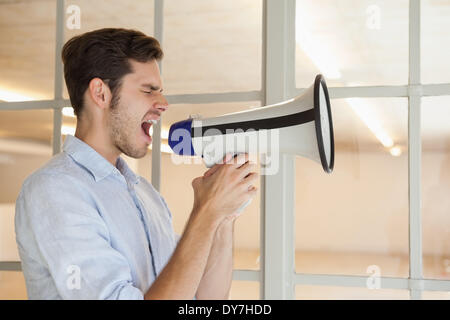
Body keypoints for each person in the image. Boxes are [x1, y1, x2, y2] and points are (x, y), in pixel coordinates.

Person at [14, 28, 258, 300]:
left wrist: (224, 215)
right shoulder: (55, 190)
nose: (163, 104)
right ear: (101, 93)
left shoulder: (146, 195)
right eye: (149, 90)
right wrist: (207, 210)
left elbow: (206, 298)